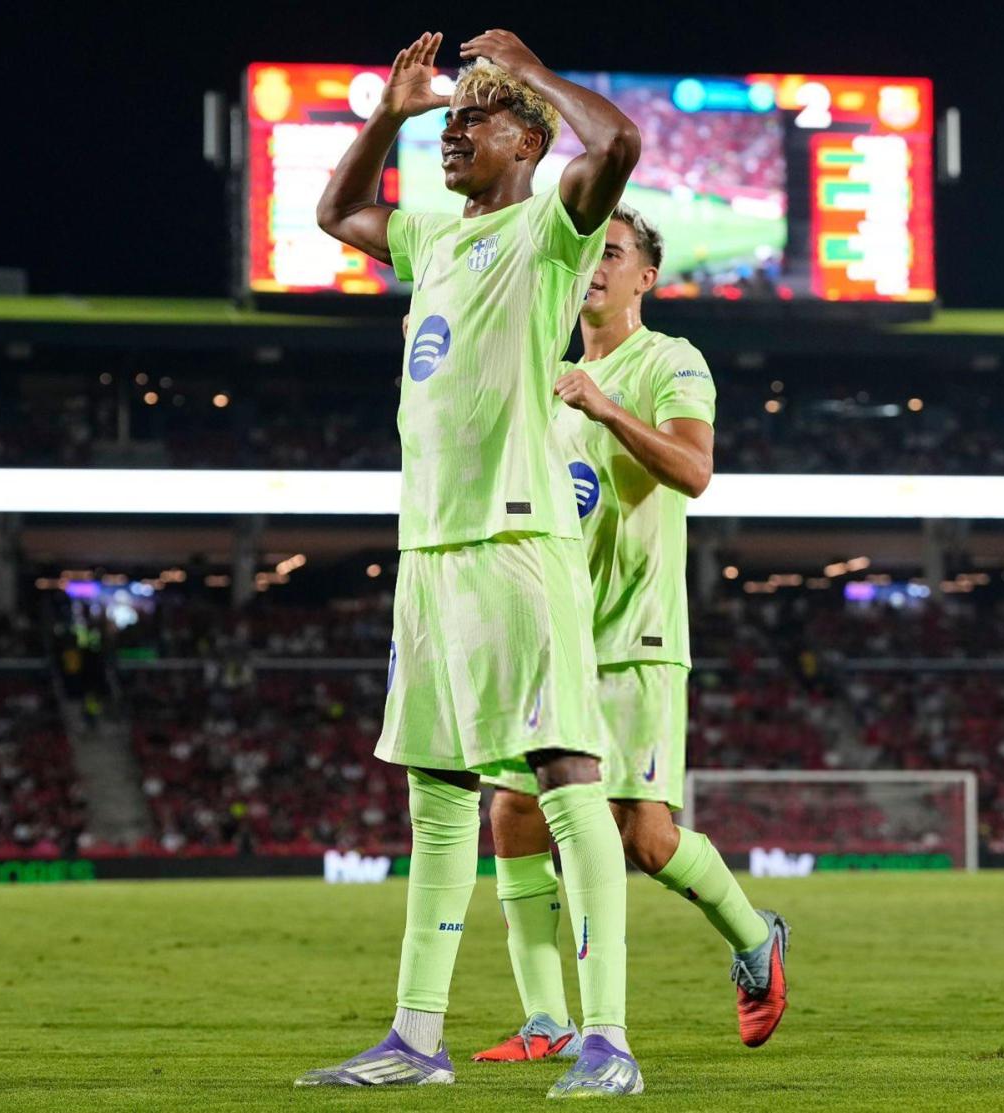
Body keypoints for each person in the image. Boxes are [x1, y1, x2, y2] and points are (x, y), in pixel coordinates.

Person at [297, 29, 644, 1097]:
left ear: (528, 144)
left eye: (471, 122)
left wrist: (527, 71)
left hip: (511, 534)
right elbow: (333, 215)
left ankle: (607, 1042)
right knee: (436, 789)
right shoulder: (435, 240)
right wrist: (390, 116)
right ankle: (414, 1037)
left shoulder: (553, 224)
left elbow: (620, 141)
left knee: (563, 777)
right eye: (447, 125)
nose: (453, 136)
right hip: (429, 546)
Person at [472, 206, 790, 1065]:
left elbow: (693, 471)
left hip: (636, 635)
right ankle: (547, 1019)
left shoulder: (670, 360)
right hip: (553, 637)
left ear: (646, 277)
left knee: (640, 837)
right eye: (586, 255)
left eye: (612, 254)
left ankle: (755, 937)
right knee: (510, 815)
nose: (595, 267)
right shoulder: (548, 372)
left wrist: (607, 407)